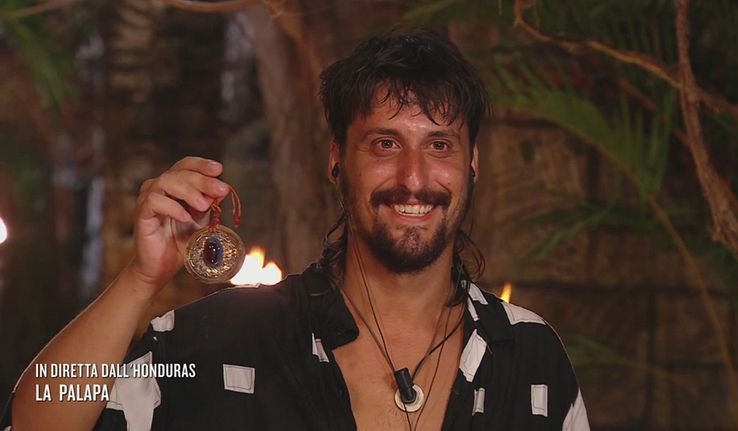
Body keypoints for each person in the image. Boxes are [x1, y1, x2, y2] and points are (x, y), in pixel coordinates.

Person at [4, 29, 589, 430]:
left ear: (472, 164)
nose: (414, 178)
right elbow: (38, 418)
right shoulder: (221, 341)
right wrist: (140, 278)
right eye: (385, 144)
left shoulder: (530, 357)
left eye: (439, 146)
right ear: (338, 158)